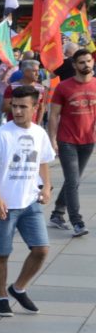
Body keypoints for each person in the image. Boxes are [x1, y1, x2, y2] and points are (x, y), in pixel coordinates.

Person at [0, 86, 55, 317]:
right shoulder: (2, 134)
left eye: (23, 106)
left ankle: (18, 288)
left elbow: (43, 161)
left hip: (30, 203)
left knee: (41, 250)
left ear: (35, 107)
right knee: (2, 253)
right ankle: (1, 296)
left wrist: (47, 186)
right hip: (4, 206)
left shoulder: (39, 133)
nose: (18, 111)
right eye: (15, 106)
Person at [48, 49, 96, 237]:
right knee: (73, 181)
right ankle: (77, 222)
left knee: (72, 181)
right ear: (74, 65)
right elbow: (53, 116)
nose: (86, 65)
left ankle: (57, 214)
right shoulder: (64, 87)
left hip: (88, 141)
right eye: (82, 62)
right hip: (67, 140)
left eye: (89, 61)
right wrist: (52, 139)